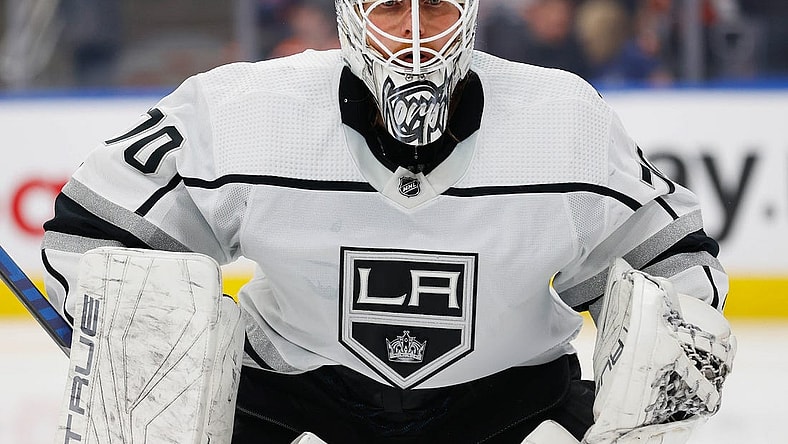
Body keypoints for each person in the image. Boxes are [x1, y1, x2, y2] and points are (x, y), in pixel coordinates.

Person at [41, 1, 734, 443]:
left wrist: (657, 373)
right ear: (349, 14)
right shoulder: (243, 112)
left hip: (511, 404)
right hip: (290, 393)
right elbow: (95, 229)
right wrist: (134, 337)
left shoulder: (566, 121)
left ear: (467, 12)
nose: (411, 37)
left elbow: (676, 267)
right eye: (387, 9)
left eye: (432, 8)